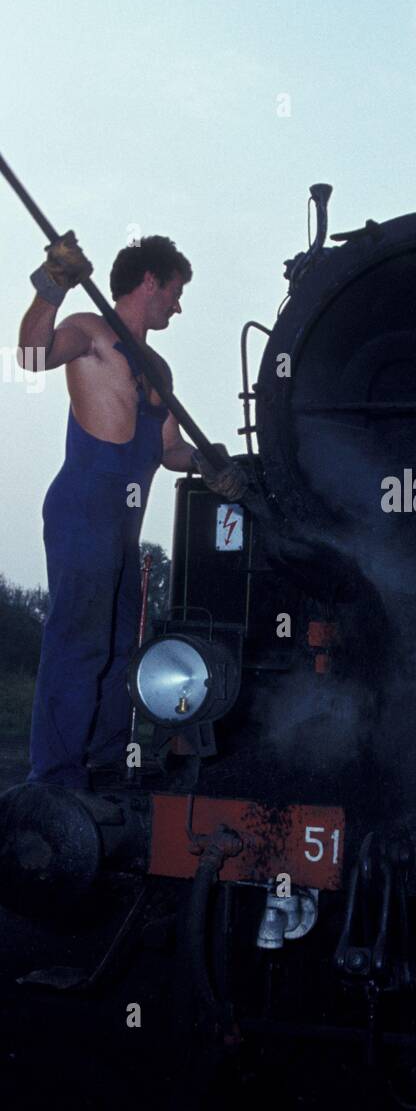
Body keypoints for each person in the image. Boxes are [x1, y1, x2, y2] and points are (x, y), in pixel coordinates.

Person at [17, 231, 247, 788]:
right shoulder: (92, 334)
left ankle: (103, 760)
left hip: (124, 527)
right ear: (150, 281)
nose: (178, 303)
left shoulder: (159, 371)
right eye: (175, 290)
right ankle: (53, 779)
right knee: (80, 642)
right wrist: (52, 285)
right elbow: (27, 357)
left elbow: (169, 451)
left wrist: (213, 465)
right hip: (83, 508)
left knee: (122, 647)